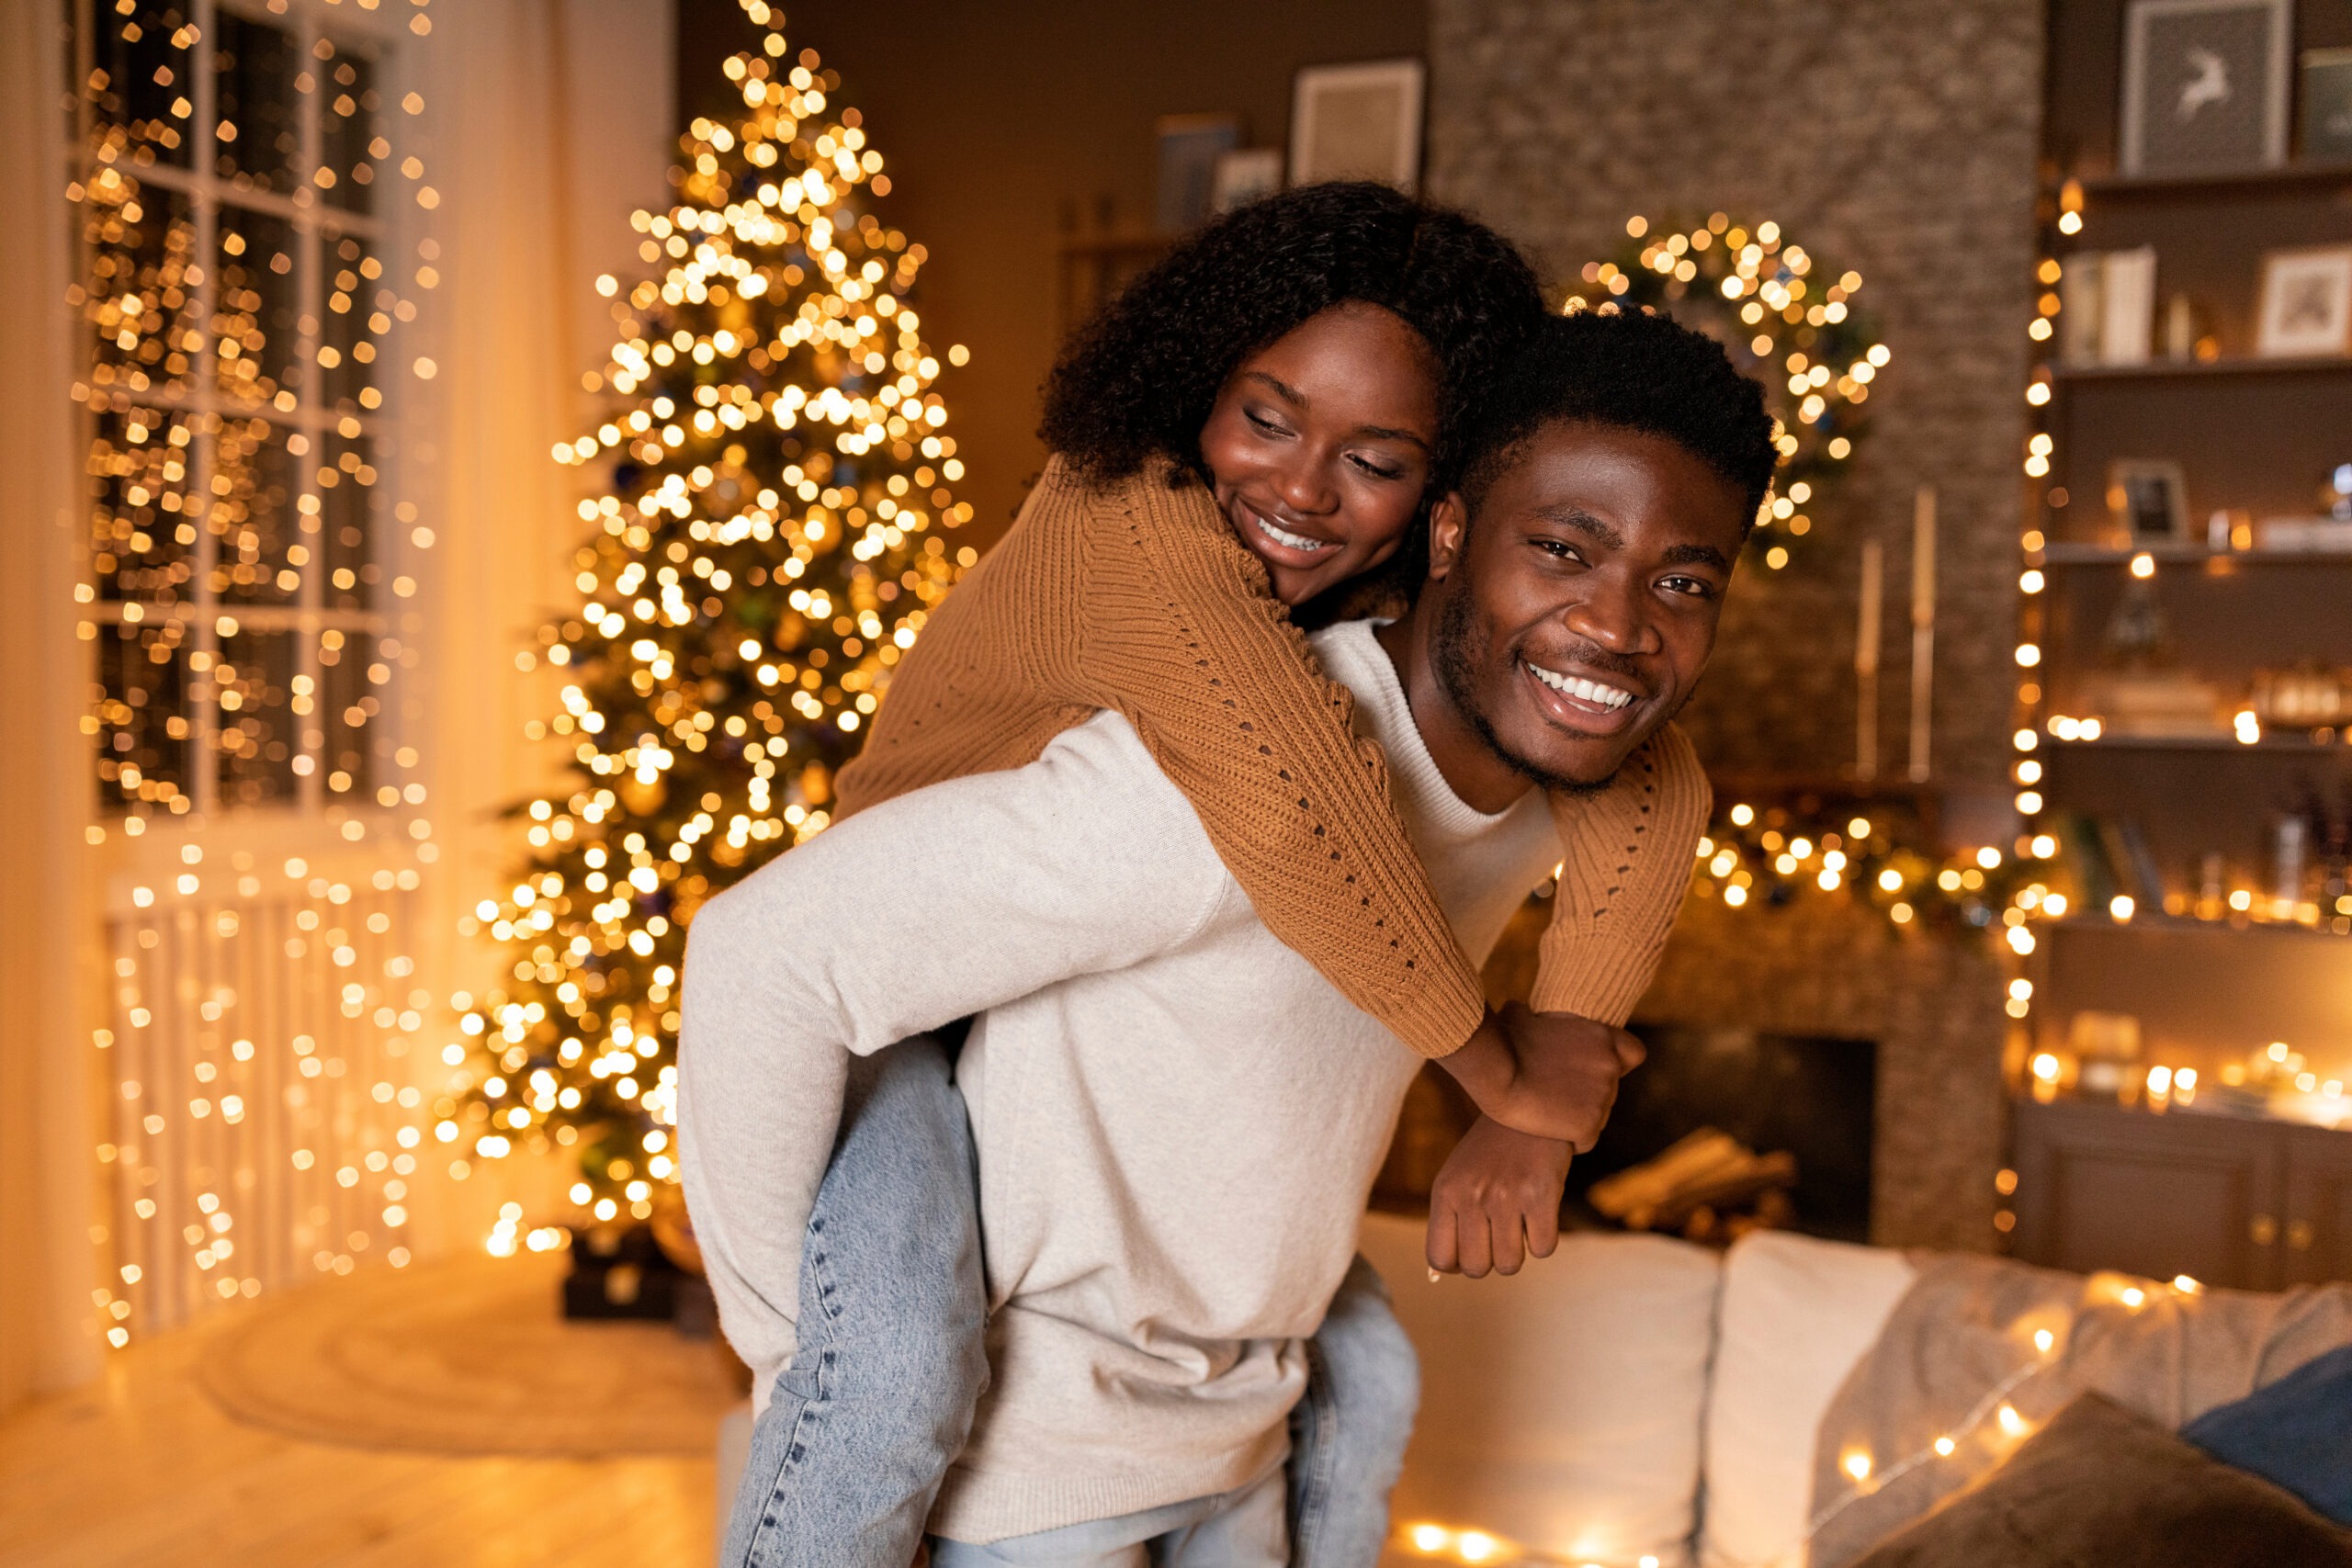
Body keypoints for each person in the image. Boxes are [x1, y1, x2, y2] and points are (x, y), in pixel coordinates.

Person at [680, 303, 1777, 1567]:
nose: (1620, 624)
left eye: (1683, 582)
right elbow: (763, 956)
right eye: (1565, 549)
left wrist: (1542, 1109)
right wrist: (805, 1346)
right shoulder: (1210, 795)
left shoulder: (1563, 775)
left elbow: (1662, 789)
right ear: (1452, 532)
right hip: (1036, 1482)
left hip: (1242, 1441)